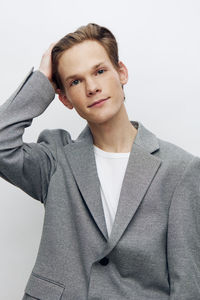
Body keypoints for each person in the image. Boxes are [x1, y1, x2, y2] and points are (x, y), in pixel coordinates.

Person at [0, 23, 199, 300]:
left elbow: (187, 283)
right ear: (65, 98)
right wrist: (41, 81)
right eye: (75, 81)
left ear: (122, 72)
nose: (92, 87)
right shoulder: (56, 160)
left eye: (100, 71)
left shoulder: (181, 170)